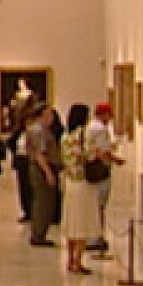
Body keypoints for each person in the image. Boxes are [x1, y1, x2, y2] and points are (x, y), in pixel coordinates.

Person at [59, 103, 101, 275]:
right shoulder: (82, 135)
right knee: (82, 223)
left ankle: (70, 259)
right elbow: (89, 155)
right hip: (83, 181)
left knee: (72, 222)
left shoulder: (65, 136)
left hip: (70, 181)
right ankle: (77, 260)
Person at [86, 102, 123, 252]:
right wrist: (117, 160)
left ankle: (93, 235)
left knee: (95, 204)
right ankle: (95, 236)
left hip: (93, 169)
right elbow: (103, 152)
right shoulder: (100, 129)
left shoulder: (90, 127)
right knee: (99, 204)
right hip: (100, 170)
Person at [27, 104, 61, 247]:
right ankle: (38, 234)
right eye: (48, 115)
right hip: (42, 168)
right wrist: (48, 173)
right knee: (43, 202)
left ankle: (40, 232)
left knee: (45, 202)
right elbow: (40, 154)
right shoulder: (38, 130)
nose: (51, 118)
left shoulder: (42, 130)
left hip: (44, 167)